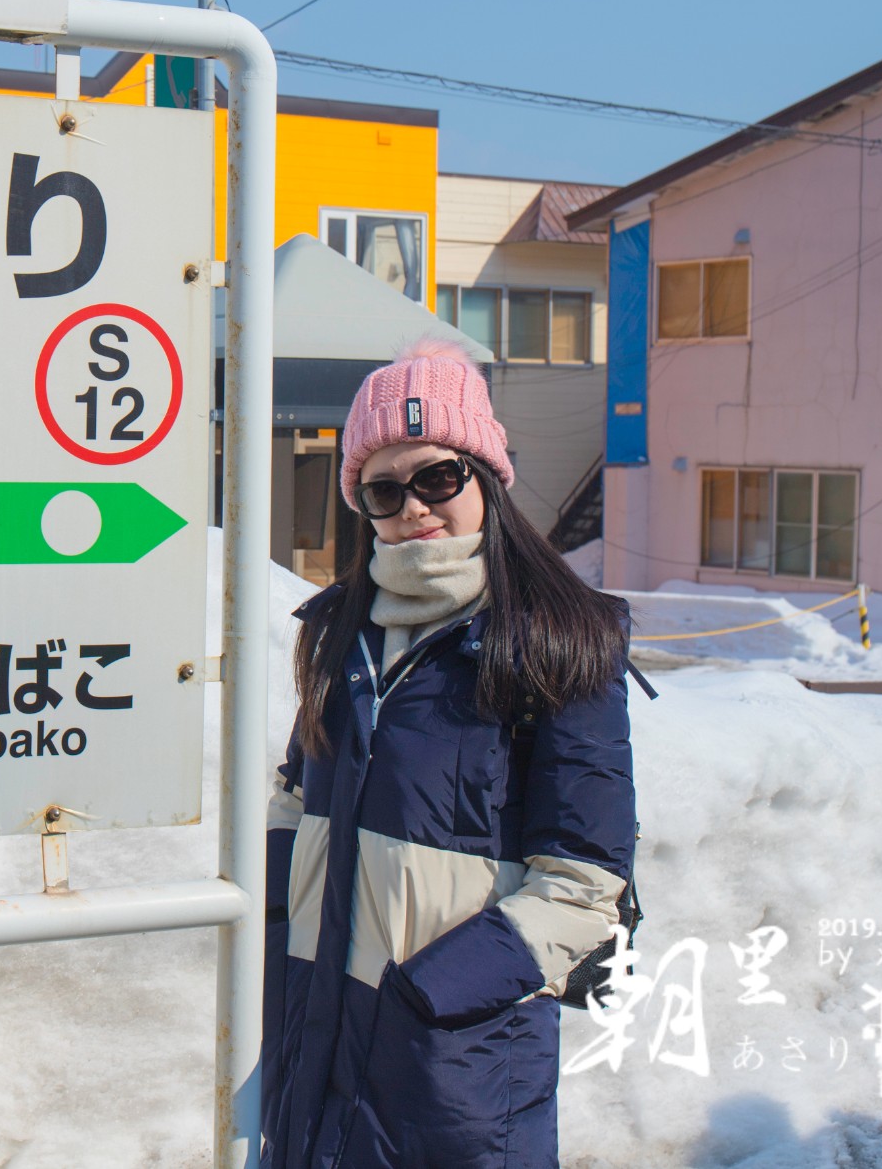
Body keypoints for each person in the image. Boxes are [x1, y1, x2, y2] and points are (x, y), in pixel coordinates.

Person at [260, 335, 638, 1169]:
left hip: (454, 1066)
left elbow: (582, 884)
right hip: (312, 1027)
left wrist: (425, 993)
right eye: (383, 488)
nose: (414, 507)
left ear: (486, 477)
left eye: (438, 475)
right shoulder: (338, 632)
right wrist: (283, 928)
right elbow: (295, 794)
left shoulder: (559, 639)